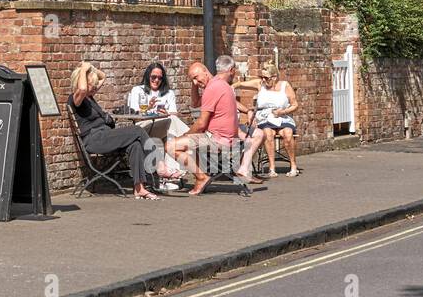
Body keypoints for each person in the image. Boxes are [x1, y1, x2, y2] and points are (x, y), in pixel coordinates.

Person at [68, 62, 175, 200]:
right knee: (137, 130)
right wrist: (83, 69)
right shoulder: (76, 98)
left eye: (94, 85)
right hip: (94, 139)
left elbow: (103, 76)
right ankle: (159, 165)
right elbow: (82, 89)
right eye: (91, 84)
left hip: (104, 135)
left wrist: (91, 69)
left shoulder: (89, 96)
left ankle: (139, 188)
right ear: (80, 82)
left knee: (135, 144)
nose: (94, 87)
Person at [167, 57, 265, 195]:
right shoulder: (221, 85)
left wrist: (184, 135)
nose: (195, 82)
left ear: (205, 71)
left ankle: (201, 177)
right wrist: (195, 83)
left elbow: (201, 123)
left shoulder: (213, 88)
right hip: (228, 139)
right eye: (192, 80)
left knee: (171, 146)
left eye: (196, 78)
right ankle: (201, 176)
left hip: (218, 141)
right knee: (187, 143)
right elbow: (195, 103)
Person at [126, 61, 188, 189]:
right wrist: (148, 108)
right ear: (147, 76)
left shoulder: (168, 93)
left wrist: (165, 114)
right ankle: (190, 136)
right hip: (143, 126)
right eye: (153, 77)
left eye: (160, 78)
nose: (156, 80)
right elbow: (133, 114)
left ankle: (168, 179)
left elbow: (173, 114)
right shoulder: (138, 90)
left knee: (171, 132)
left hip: (163, 126)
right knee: (172, 123)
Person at [253, 62, 301, 177]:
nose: (263, 80)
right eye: (262, 77)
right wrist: (233, 86)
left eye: (266, 77)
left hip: (282, 116)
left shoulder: (285, 85)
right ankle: (272, 167)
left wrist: (282, 112)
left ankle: (293, 165)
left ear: (274, 77)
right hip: (266, 118)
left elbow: (295, 105)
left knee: (288, 133)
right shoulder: (261, 85)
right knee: (268, 133)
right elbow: (240, 84)